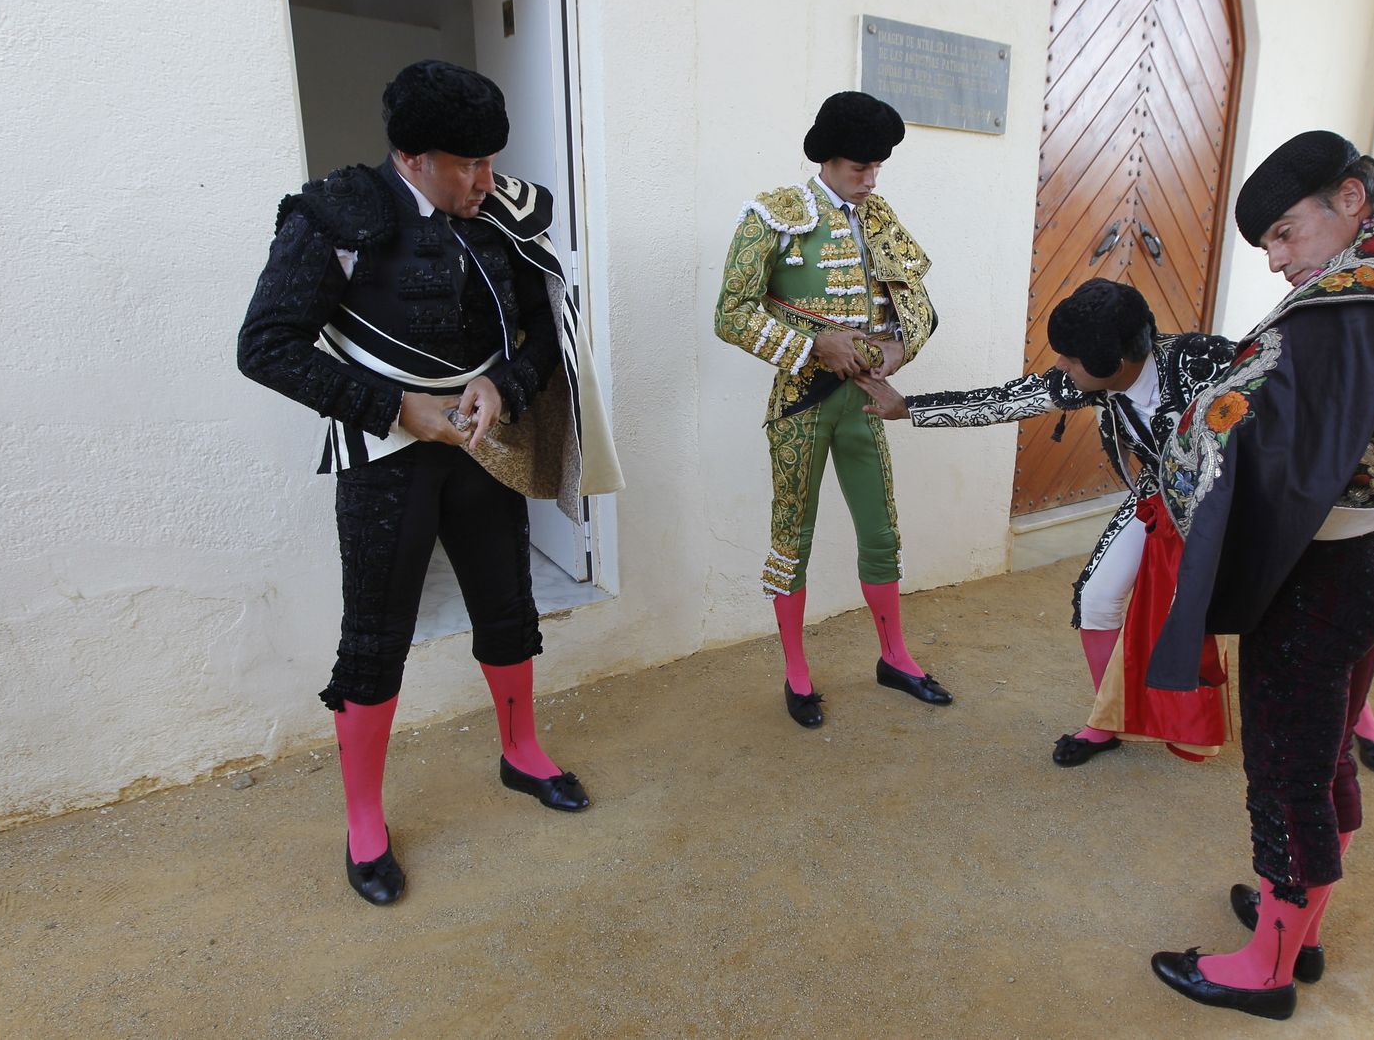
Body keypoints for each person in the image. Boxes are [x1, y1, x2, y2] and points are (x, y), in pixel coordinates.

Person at [237, 60, 621, 906]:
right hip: (385, 463)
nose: (487, 182)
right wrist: (395, 406)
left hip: (485, 448)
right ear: (410, 157)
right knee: (374, 639)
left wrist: (503, 387)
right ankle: (365, 819)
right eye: (465, 165)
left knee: (509, 611)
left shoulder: (503, 211)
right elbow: (265, 344)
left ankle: (520, 752)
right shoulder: (335, 213)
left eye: (491, 160)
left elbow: (541, 328)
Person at [1145, 131, 1374, 1019]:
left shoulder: (1345, 307)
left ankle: (1265, 969)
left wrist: (1180, 433)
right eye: (1266, 244)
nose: (1277, 262)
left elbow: (1231, 436)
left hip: (1329, 566)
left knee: (1286, 769)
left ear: (1349, 198)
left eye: (1283, 233)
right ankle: (1295, 925)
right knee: (1328, 741)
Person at [858, 278, 1235, 764]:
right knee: (1097, 597)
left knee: (1262, 611)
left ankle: (1352, 724)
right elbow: (1007, 399)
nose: (1060, 367)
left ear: (1114, 364)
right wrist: (910, 408)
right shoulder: (1098, 373)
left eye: (1071, 359)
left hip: (1227, 511)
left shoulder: (1207, 362)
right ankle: (1108, 720)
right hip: (1157, 499)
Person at [714, 91, 948, 728]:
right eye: (857, 168)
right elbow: (730, 314)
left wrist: (898, 351)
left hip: (865, 402)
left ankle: (894, 656)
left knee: (881, 529)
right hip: (802, 401)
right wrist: (812, 344)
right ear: (826, 160)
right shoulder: (773, 214)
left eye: (877, 168)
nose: (869, 180)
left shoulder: (881, 217)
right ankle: (796, 671)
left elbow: (919, 305)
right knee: (793, 534)